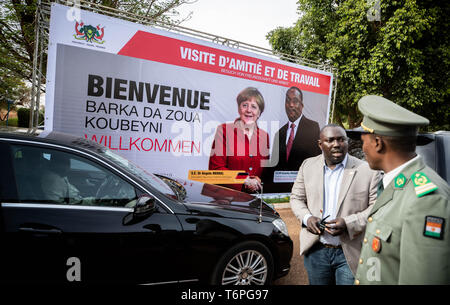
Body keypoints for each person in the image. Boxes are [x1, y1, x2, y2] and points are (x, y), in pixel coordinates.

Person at [354, 95, 450, 285]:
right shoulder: (398, 184)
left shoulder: (426, 200)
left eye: (364, 140)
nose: (362, 148)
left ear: (377, 143)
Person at [290, 124, 381, 285]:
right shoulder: (308, 166)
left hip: (350, 252)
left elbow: (377, 209)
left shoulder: (367, 170)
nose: (337, 144)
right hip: (316, 250)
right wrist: (307, 218)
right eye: (330, 140)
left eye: (341, 139)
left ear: (347, 142)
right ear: (320, 144)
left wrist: (348, 223)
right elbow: (296, 198)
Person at [209, 87, 270, 193]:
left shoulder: (264, 136)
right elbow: (216, 169)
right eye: (244, 105)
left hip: (253, 200)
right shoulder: (224, 130)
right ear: (239, 109)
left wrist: (258, 180)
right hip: (226, 198)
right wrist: (244, 180)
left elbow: (265, 171)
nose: (249, 110)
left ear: (259, 112)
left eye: (254, 107)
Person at [262, 86, 321, 193]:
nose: (291, 105)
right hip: (280, 194)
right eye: (288, 101)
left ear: (302, 105)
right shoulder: (279, 133)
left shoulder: (313, 128)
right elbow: (273, 167)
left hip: (304, 192)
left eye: (295, 101)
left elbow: (317, 163)